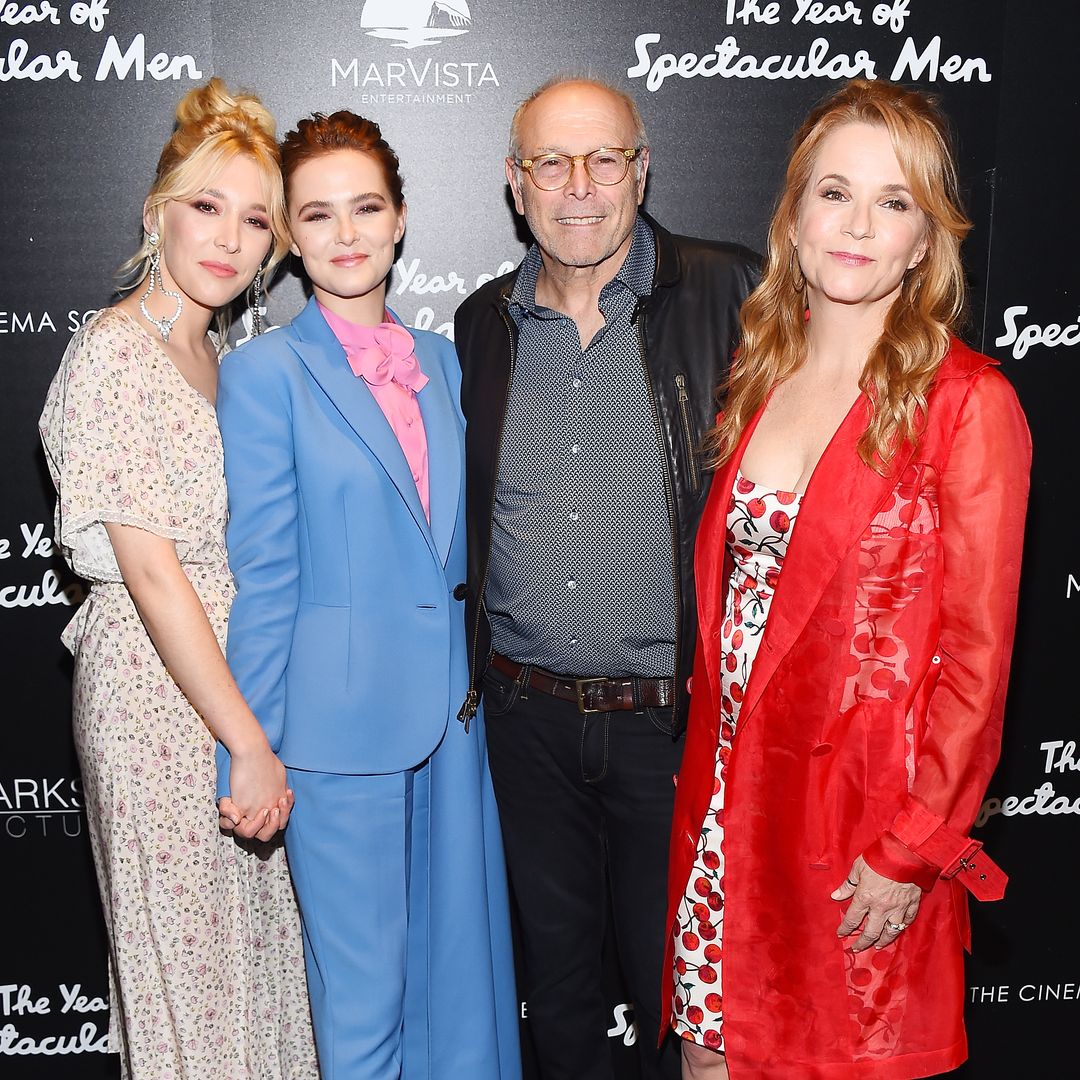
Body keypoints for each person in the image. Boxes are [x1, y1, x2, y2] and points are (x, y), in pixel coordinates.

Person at [663, 79, 1031, 1080]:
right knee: (709, 1063)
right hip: (726, 817)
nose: (859, 225)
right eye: (835, 193)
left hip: (854, 835)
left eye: (893, 201)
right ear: (795, 218)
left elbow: (976, 666)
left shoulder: (966, 405)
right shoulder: (758, 376)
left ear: (923, 242)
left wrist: (913, 847)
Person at [454, 76, 759, 1080]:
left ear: (642, 169)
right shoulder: (481, 326)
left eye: (604, 159)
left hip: (671, 730)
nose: (578, 185)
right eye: (551, 162)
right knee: (558, 1002)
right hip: (525, 725)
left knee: (687, 1005)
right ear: (516, 182)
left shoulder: (732, 293)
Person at [214, 110, 521, 1080]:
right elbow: (266, 580)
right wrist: (248, 750)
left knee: (457, 1002)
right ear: (289, 237)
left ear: (400, 219)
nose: (346, 234)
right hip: (336, 738)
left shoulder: (446, 360)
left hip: (455, 728)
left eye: (367, 208)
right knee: (363, 1009)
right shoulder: (261, 375)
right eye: (317, 214)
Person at [38, 79, 317, 1078]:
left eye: (256, 219)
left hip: (230, 692)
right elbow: (153, 572)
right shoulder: (116, 353)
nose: (229, 239)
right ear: (157, 211)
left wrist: (255, 726)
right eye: (207, 205)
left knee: (254, 988)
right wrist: (247, 741)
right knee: (189, 1002)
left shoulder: (225, 358)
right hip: (160, 701)